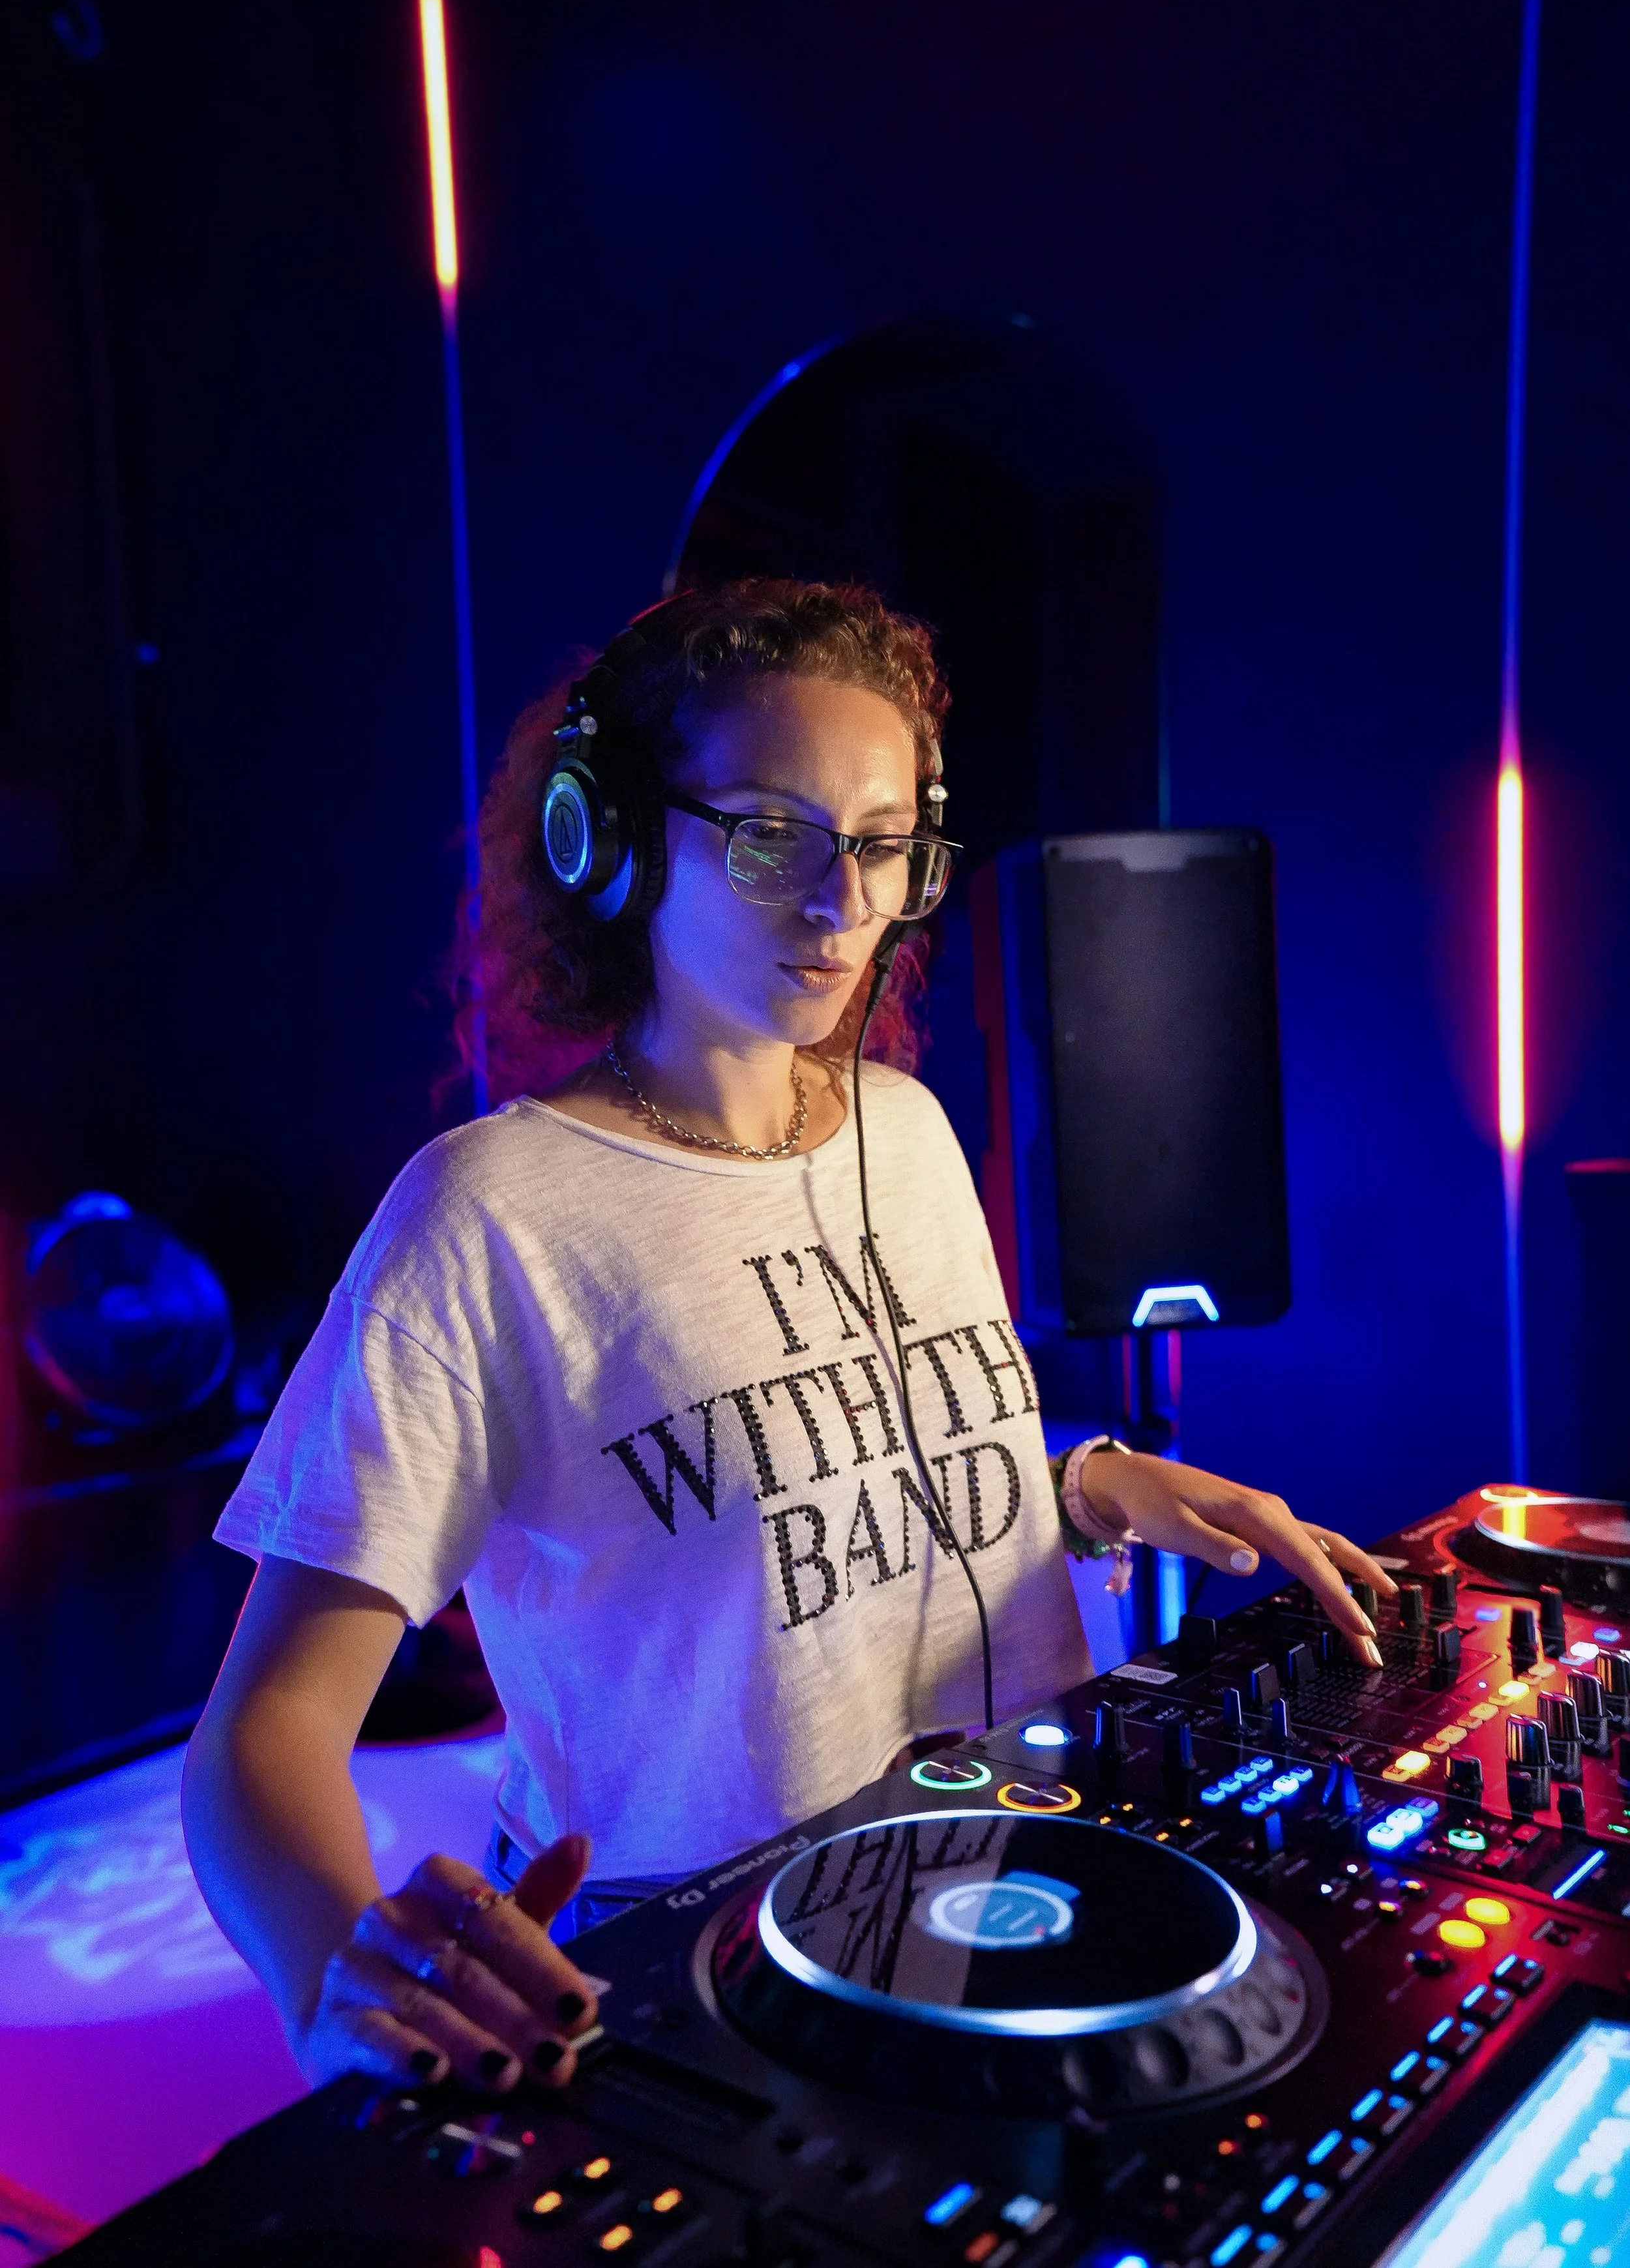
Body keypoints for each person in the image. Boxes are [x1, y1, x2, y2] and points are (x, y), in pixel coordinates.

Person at [183, 579, 1395, 2098]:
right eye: (771, 836)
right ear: (609, 839)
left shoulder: (909, 1128)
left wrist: (1083, 1481)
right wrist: (331, 1968)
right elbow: (265, 1735)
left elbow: (841, 1444)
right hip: (701, 1975)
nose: (842, 904)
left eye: (884, 846)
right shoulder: (487, 1216)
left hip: (1014, 1879)